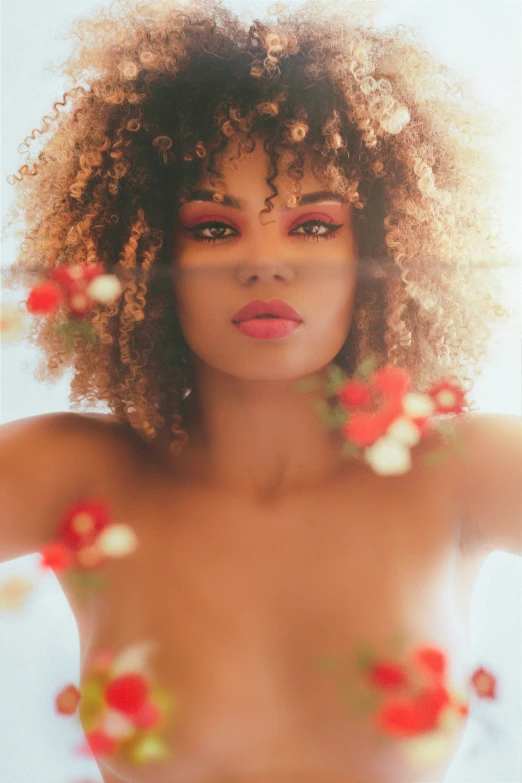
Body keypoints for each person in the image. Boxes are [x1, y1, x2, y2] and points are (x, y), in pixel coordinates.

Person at [1, 0, 521, 781]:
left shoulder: (466, 468)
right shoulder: (73, 473)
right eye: (213, 226)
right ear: (140, 249)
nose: (266, 262)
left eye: (314, 224)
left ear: (379, 247)